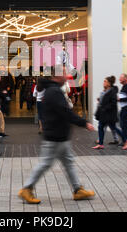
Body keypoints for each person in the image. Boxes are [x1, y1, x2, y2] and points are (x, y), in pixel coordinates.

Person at [18, 67, 95, 204]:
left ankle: (78, 189)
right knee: (45, 163)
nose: (66, 76)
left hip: (60, 136)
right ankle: (27, 188)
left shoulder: (53, 90)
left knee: (68, 162)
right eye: (64, 73)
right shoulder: (54, 92)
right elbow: (66, 112)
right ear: (58, 76)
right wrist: (84, 123)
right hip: (54, 136)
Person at [92, 76, 118, 149]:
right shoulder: (105, 91)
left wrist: (104, 107)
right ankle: (101, 143)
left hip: (108, 114)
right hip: (104, 113)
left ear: (109, 83)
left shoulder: (111, 91)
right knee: (102, 127)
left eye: (105, 81)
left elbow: (113, 103)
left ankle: (125, 140)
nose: (103, 82)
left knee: (112, 128)